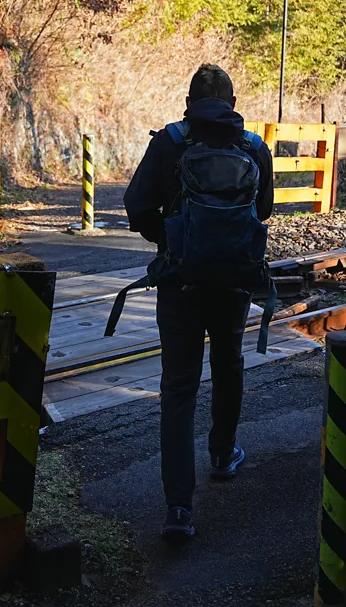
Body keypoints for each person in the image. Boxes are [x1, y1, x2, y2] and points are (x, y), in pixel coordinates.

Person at [123, 63, 275, 542]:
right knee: (228, 364)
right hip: (233, 283)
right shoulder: (253, 147)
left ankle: (179, 509)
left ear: (188, 103)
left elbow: (135, 205)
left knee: (179, 386)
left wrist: (171, 240)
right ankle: (223, 454)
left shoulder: (169, 142)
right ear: (233, 103)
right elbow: (263, 210)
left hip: (180, 283)